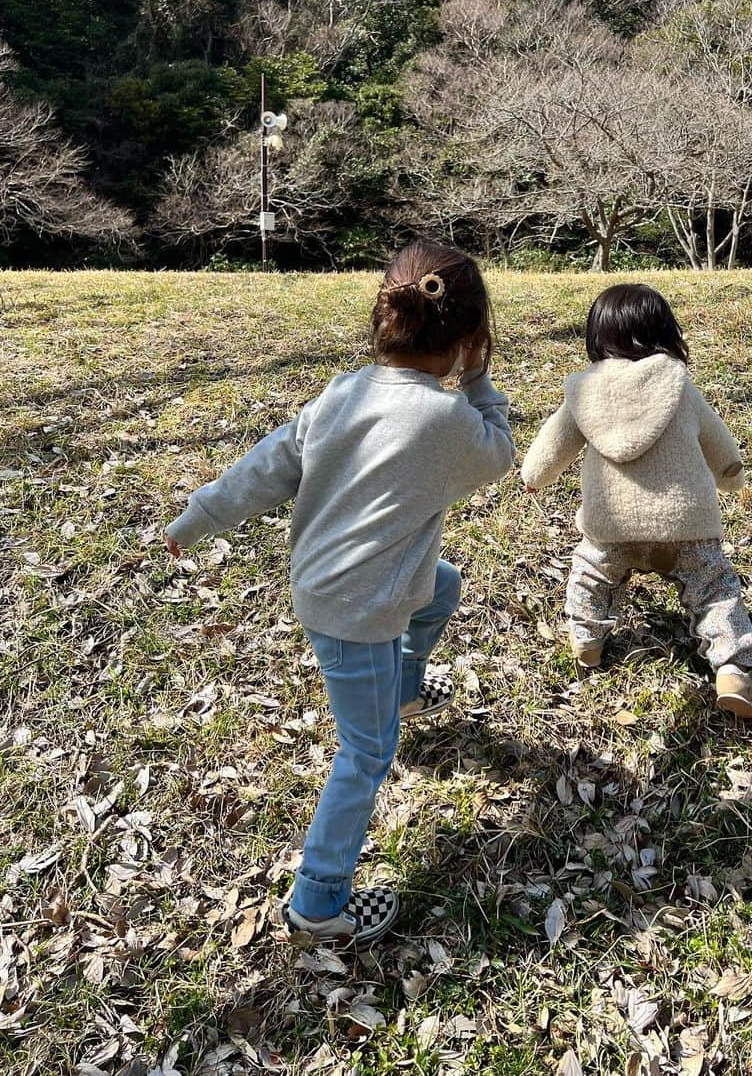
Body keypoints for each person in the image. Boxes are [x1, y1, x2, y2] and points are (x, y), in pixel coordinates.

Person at [164, 242, 515, 944]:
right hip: (361, 613)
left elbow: (268, 466)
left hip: (326, 584)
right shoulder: (448, 421)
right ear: (469, 339)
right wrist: (478, 382)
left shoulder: (343, 393)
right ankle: (318, 901)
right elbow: (500, 450)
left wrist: (198, 517)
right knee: (366, 752)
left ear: (385, 316)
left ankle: (408, 685)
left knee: (441, 586)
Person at [521, 283, 752, 720]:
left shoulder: (583, 393)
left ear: (596, 337)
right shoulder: (679, 386)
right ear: (664, 331)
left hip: (611, 524)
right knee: (715, 592)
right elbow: (719, 444)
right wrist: (733, 476)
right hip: (686, 522)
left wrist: (534, 478)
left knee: (590, 577)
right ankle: (734, 671)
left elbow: (551, 447)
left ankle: (588, 642)